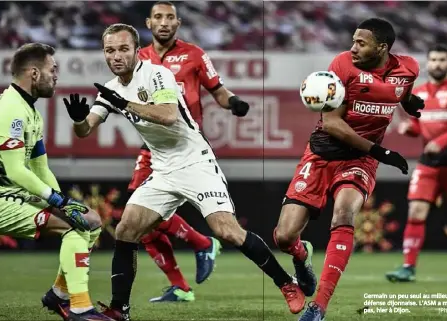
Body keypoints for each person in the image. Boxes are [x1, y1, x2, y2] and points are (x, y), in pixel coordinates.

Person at [64, 23, 305, 321]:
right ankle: (118, 311)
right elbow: (86, 129)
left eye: (123, 49)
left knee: (226, 231)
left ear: (137, 51)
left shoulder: (158, 74)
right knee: (126, 230)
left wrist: (125, 103)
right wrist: (77, 120)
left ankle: (287, 283)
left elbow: (167, 115)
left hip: (195, 161)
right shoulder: (110, 89)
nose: (116, 56)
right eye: (110, 50)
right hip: (163, 168)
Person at [272, 18, 424, 321]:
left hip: (359, 161)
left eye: (361, 43)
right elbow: (332, 124)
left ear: (381, 48)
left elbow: (401, 90)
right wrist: (382, 151)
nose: (352, 48)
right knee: (284, 237)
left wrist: (408, 102)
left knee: (344, 214)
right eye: (353, 40)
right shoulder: (342, 65)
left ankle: (319, 307)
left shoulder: (408, 69)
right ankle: (302, 256)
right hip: (321, 154)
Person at [0, 43, 112, 321]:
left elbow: (40, 169)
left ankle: (58, 295)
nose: (57, 75)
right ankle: (80, 308)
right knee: (74, 229)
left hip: (12, 195)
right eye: (52, 69)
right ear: (34, 73)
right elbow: (16, 172)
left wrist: (64, 201)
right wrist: (58, 202)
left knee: (90, 223)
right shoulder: (10, 110)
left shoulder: (30, 111)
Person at [121, 1, 250, 303]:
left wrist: (233, 103)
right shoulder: (138, 58)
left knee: (139, 216)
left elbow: (218, 90)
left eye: (169, 18)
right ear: (148, 23)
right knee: (139, 222)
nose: (164, 23)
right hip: (153, 144)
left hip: (187, 145)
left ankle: (202, 244)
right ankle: (182, 283)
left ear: (178, 23)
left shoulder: (194, 55)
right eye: (158, 18)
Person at [385, 44, 447, 282]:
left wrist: (442, 141)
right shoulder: (419, 93)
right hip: (429, 163)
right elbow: (420, 126)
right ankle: (407, 267)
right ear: (428, 64)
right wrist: (409, 129)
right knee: (416, 210)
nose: (437, 64)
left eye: (442, 60)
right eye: (433, 60)